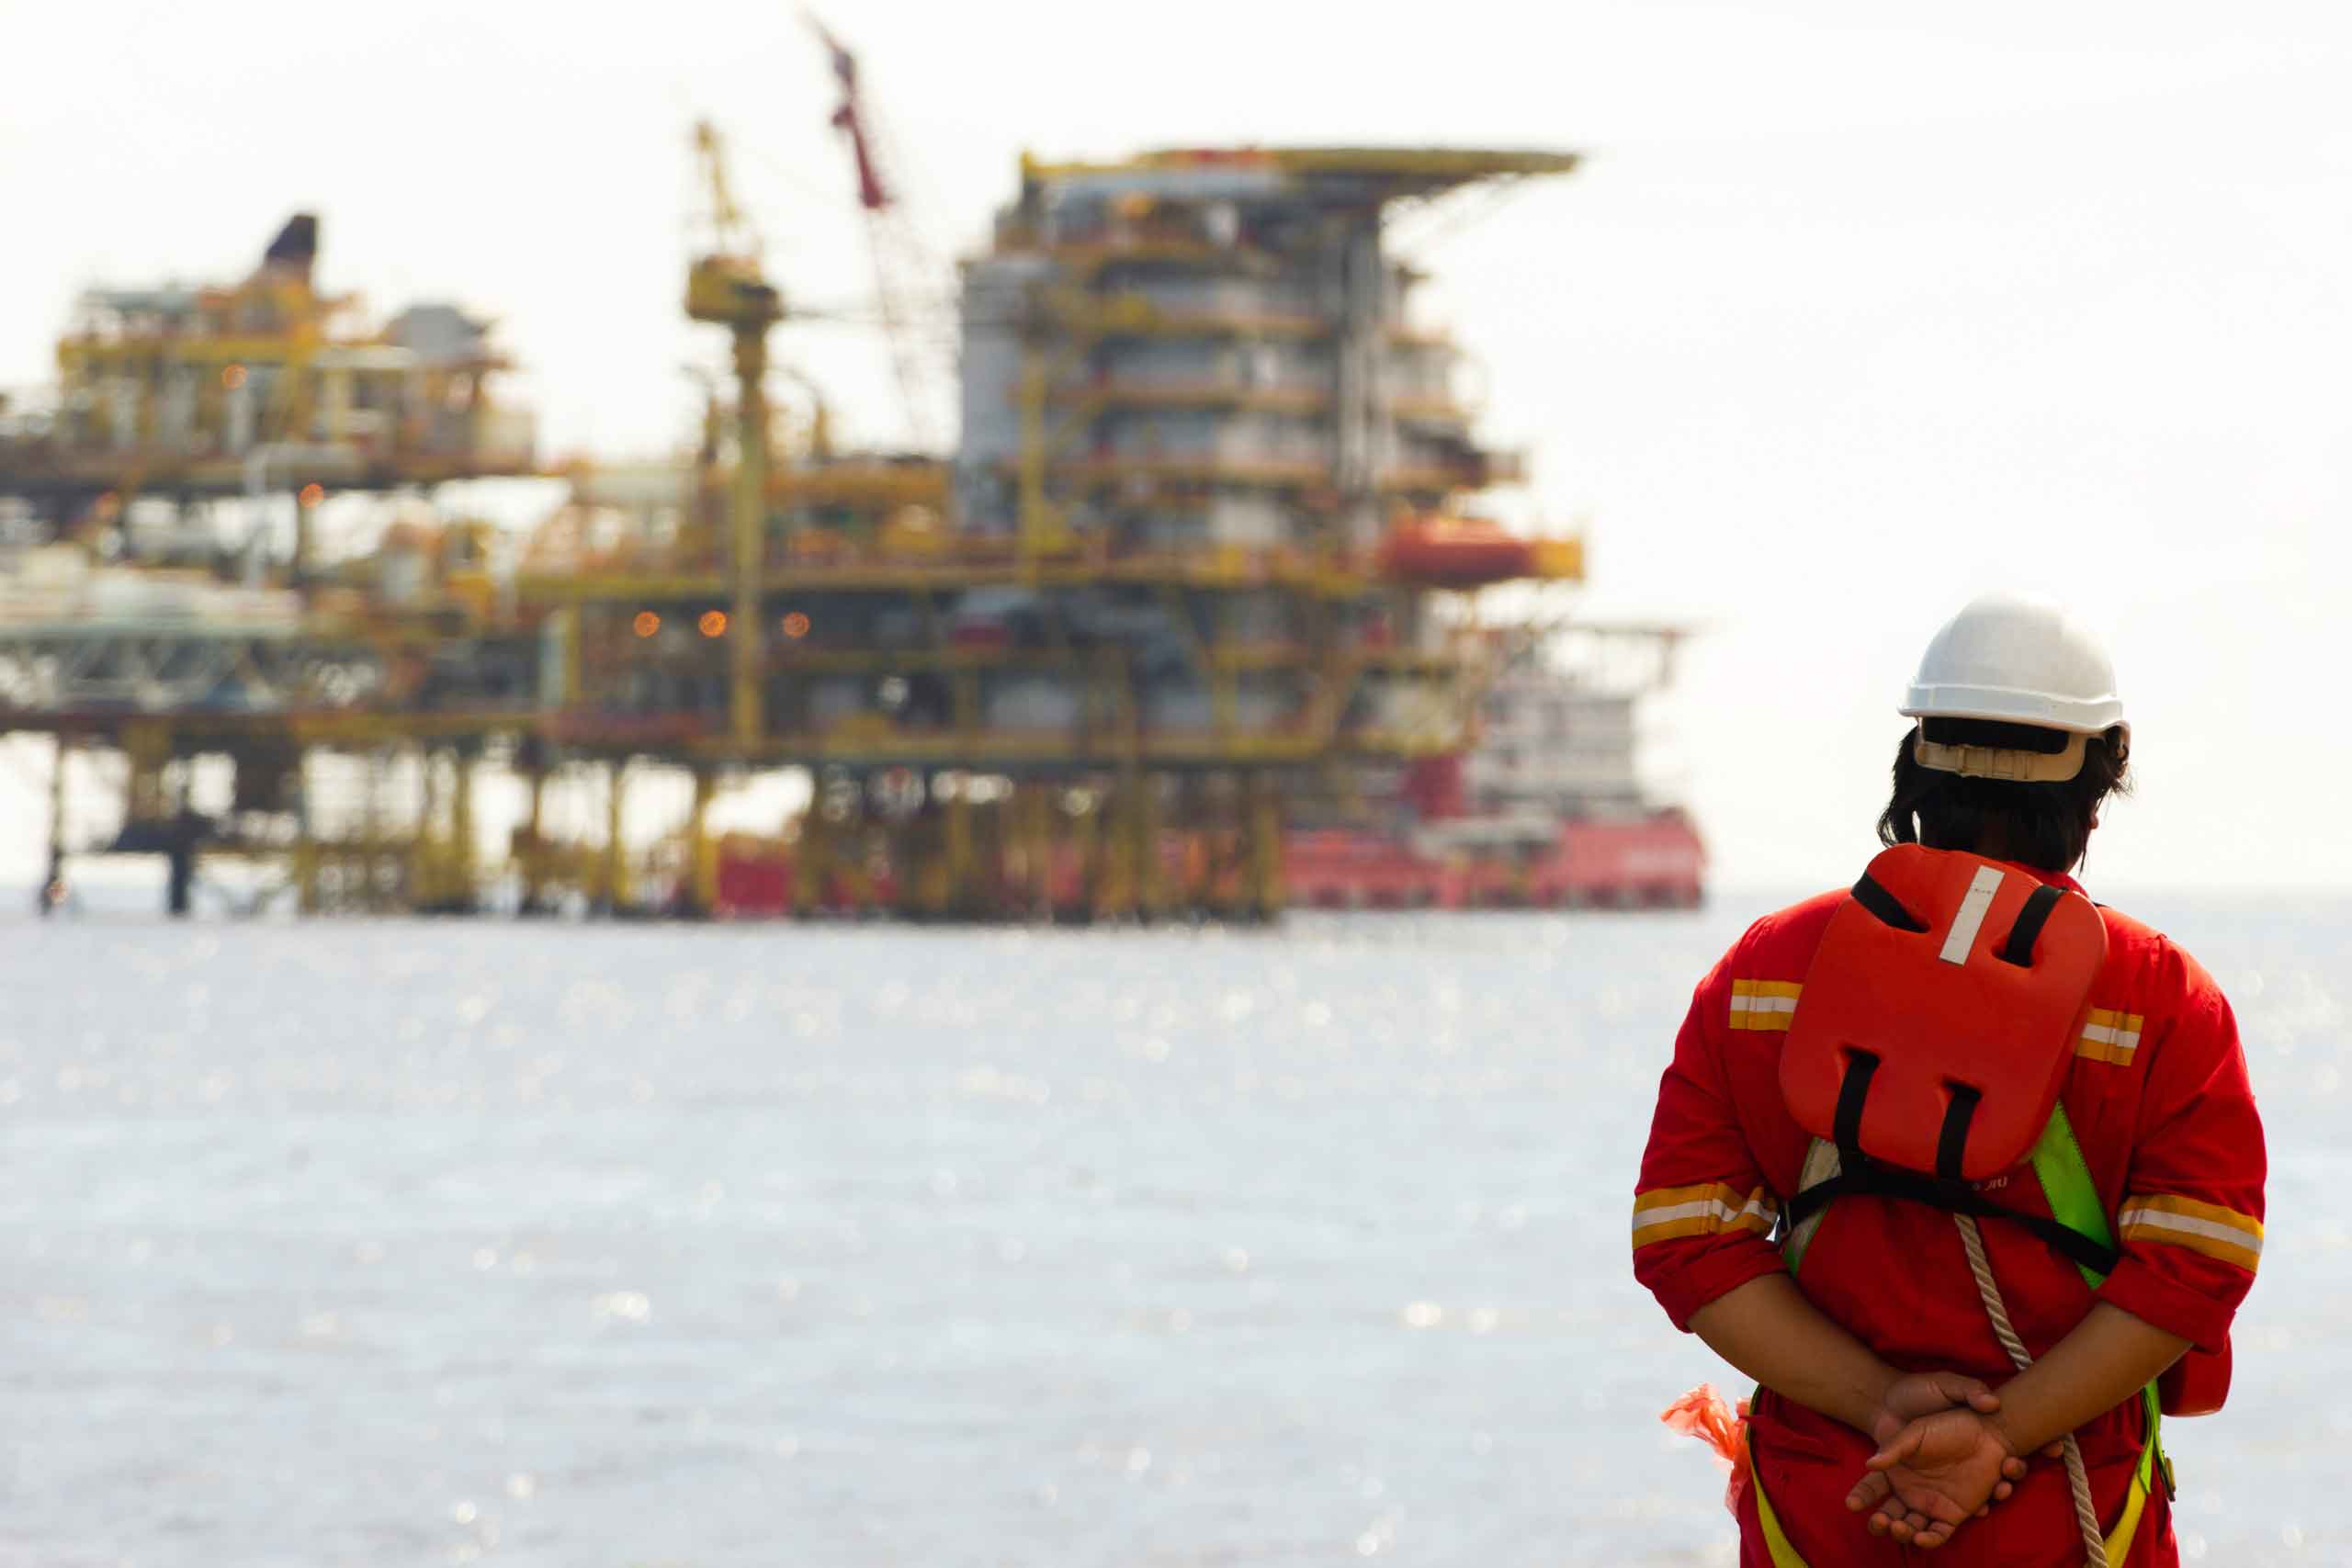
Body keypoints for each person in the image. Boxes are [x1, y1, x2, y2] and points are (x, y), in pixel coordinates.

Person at [1631, 593, 2264, 1564]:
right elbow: (2197, 1265)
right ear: (2101, 777)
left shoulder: (1763, 973)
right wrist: (2000, 1434)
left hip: (1824, 1509)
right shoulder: (2160, 998)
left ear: (1913, 758)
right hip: (2070, 1514)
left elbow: (1683, 1238)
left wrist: (1877, 1403)